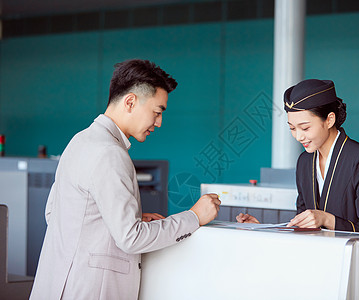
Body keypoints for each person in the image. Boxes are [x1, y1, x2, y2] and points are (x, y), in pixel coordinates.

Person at [30, 59, 221, 300]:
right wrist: (194, 217)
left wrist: (121, 219)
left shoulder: (80, 141)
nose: (159, 122)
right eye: (157, 111)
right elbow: (131, 239)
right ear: (130, 101)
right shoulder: (110, 153)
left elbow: (54, 214)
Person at [237, 79, 359, 234]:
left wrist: (326, 220)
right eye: (292, 128)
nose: (298, 136)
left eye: (305, 128)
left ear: (329, 120)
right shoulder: (305, 161)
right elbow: (303, 224)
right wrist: (262, 227)